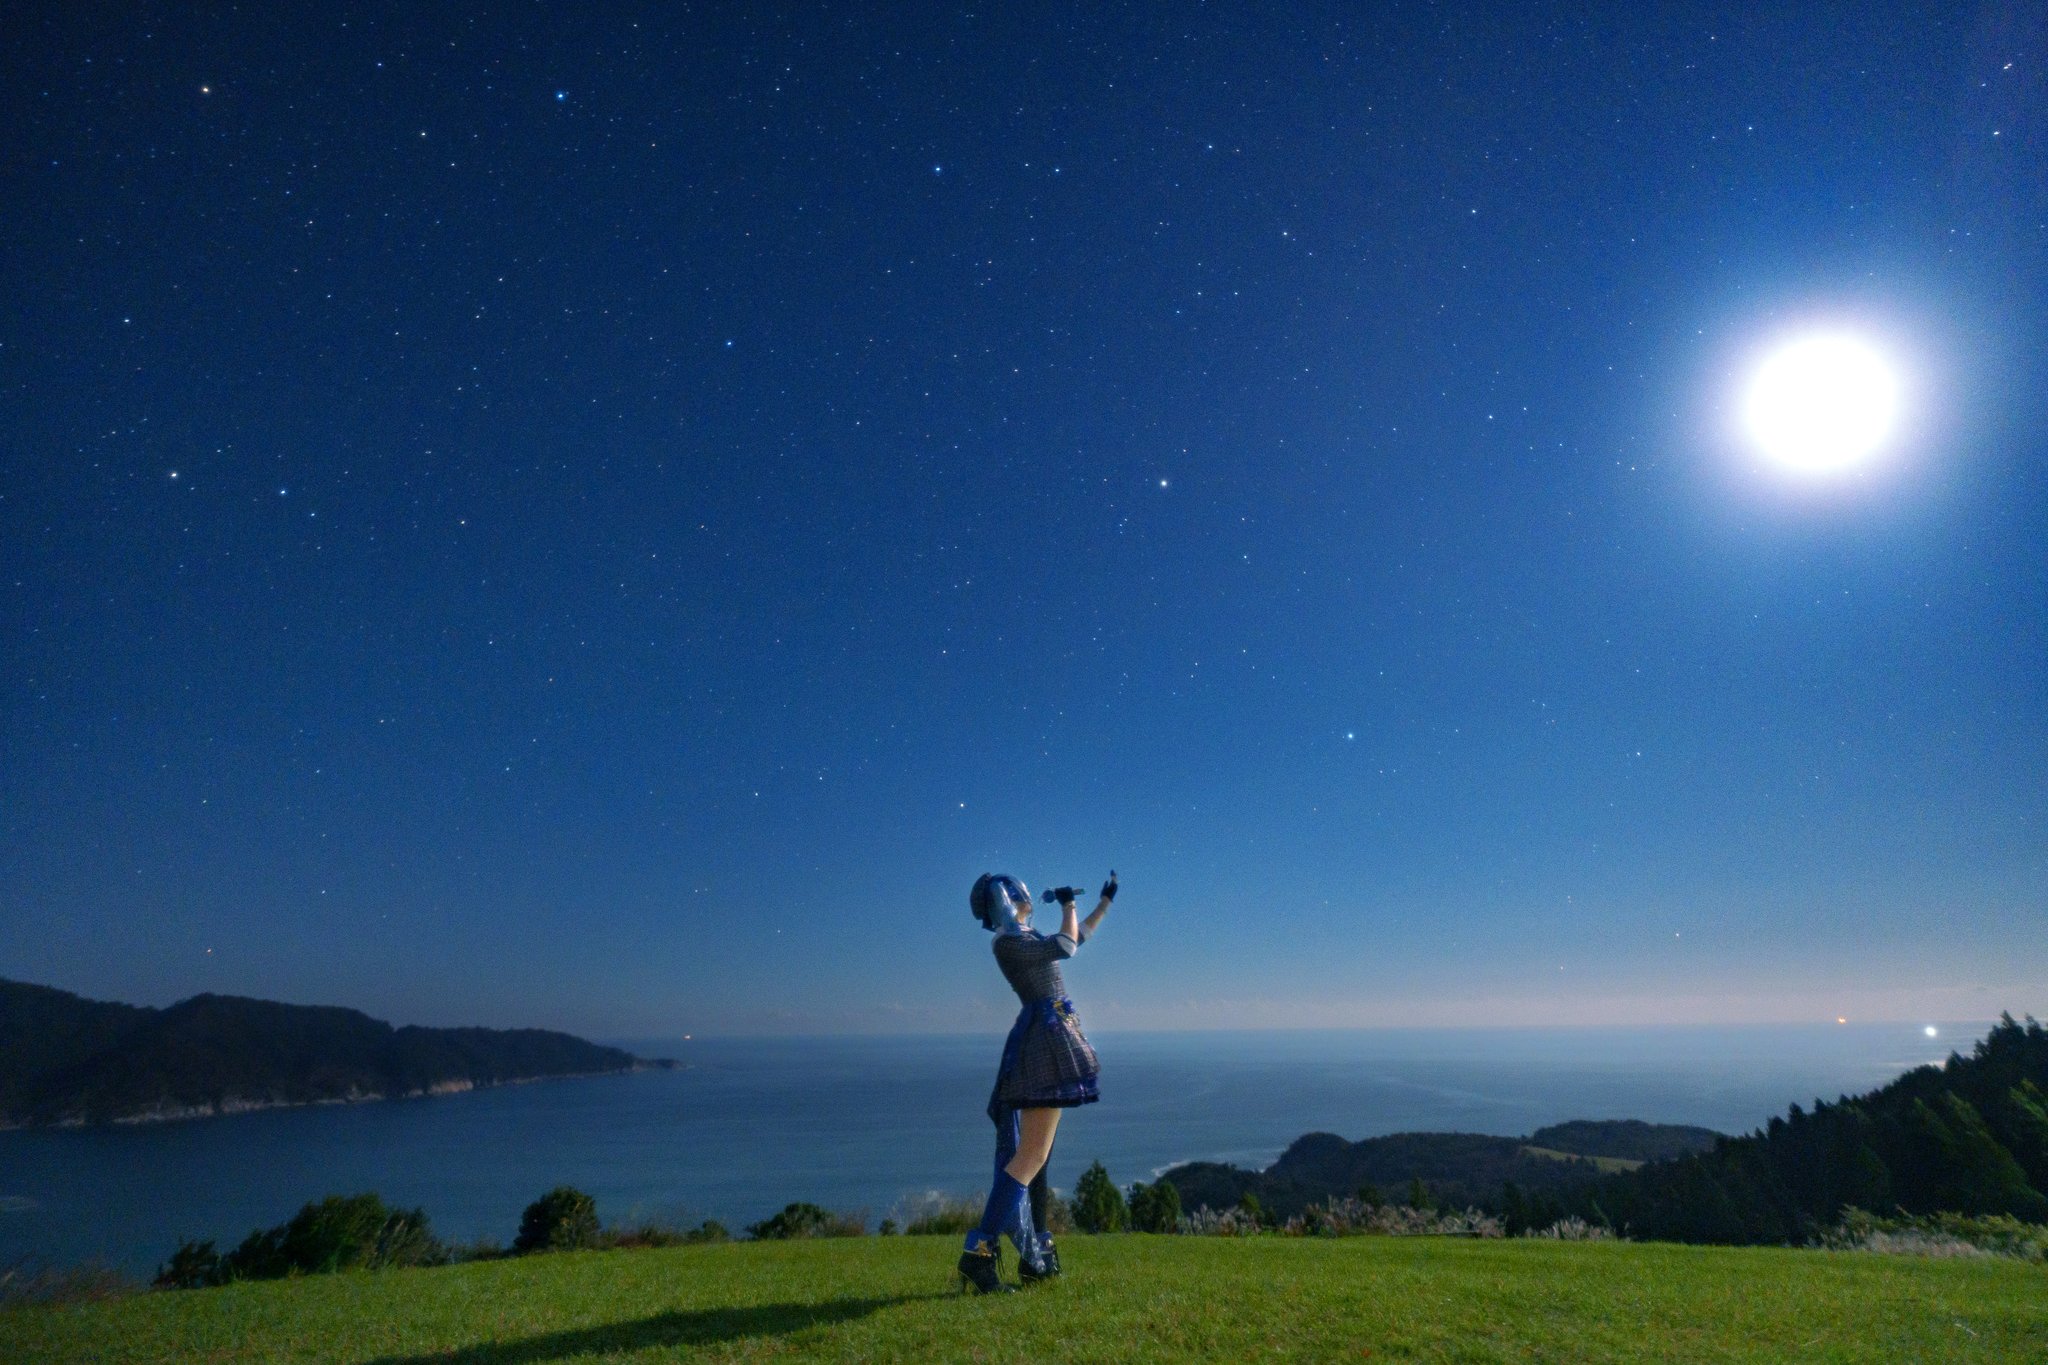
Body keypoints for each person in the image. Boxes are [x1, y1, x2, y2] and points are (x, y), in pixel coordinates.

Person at [957, 869, 1117, 1293]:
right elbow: (1066, 946)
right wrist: (1067, 902)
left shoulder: (1022, 941)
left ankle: (1036, 1256)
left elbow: (1075, 937)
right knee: (1031, 1156)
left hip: (1046, 1037)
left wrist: (1103, 904)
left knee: (1037, 1157)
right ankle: (979, 1253)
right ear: (1008, 898)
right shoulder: (1010, 943)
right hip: (1047, 1042)